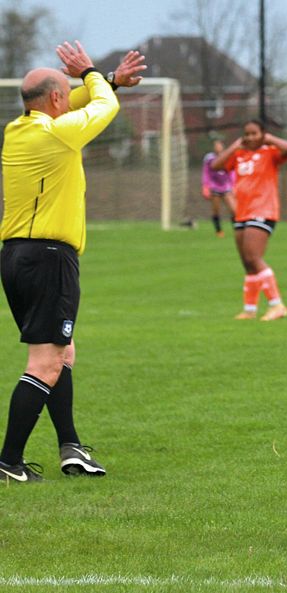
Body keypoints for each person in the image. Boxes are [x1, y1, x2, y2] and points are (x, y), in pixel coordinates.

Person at [0, 41, 147, 482]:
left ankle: (70, 449)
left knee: (62, 353)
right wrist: (93, 72)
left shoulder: (18, 129)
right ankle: (8, 462)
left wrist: (111, 81)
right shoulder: (58, 133)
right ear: (57, 101)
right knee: (45, 362)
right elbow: (102, 107)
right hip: (49, 258)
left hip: (16, 257)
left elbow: (86, 98)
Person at [212, 120, 287, 321]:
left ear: (263, 134)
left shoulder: (270, 153)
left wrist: (269, 139)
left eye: (254, 133)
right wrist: (235, 145)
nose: (249, 137)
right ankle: (250, 309)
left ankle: (277, 305)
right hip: (242, 212)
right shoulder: (239, 155)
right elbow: (216, 165)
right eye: (246, 134)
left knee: (254, 257)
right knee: (247, 263)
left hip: (263, 211)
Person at [201, 138, 235, 237]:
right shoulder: (209, 158)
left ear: (222, 146)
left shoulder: (227, 156)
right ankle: (219, 231)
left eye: (219, 145)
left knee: (233, 209)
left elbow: (232, 171)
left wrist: (233, 185)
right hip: (214, 186)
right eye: (216, 145)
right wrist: (205, 186)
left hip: (226, 186)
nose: (217, 147)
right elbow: (206, 173)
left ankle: (237, 228)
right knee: (216, 210)